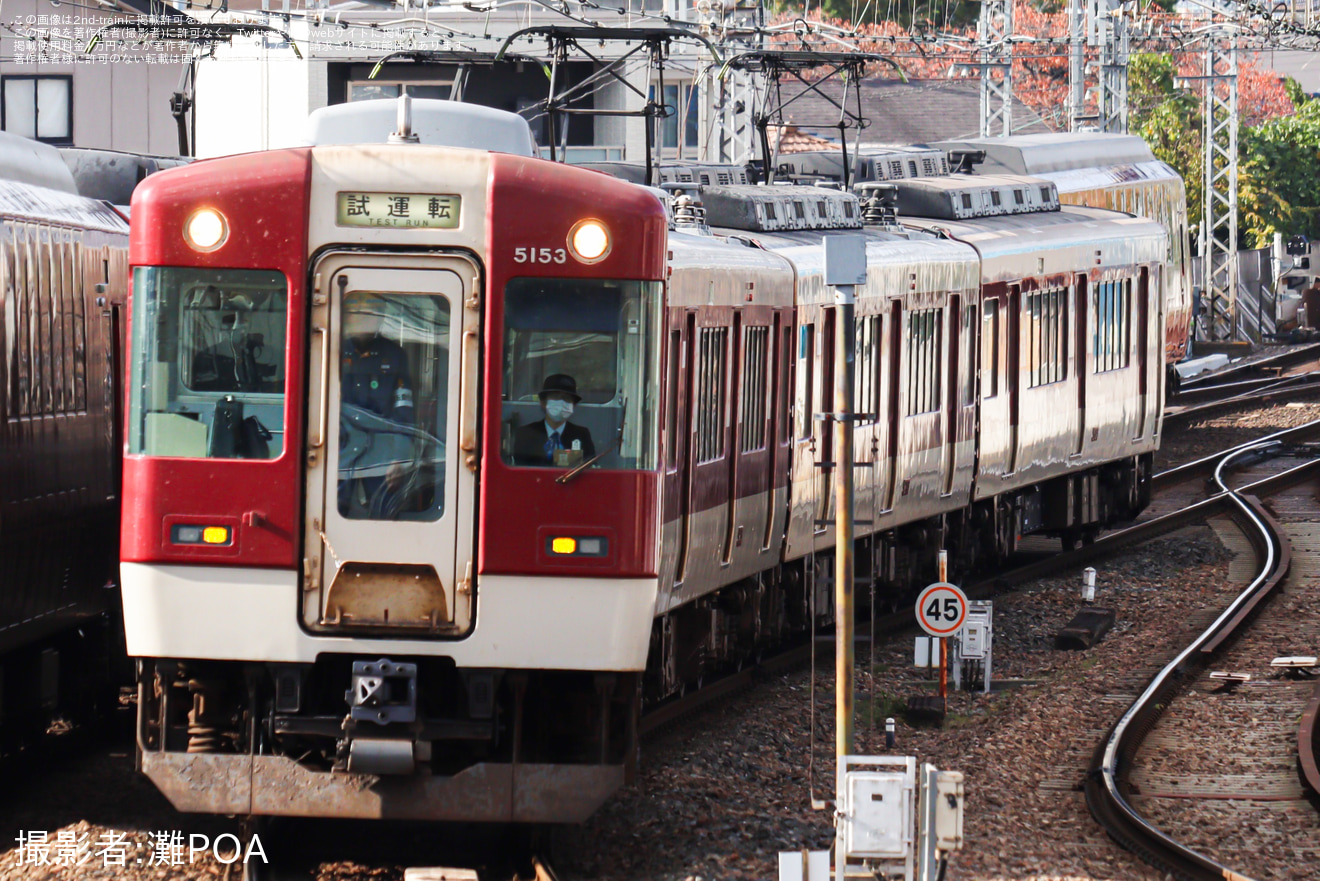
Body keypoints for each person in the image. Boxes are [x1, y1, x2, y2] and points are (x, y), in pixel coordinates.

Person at [338, 291, 416, 518]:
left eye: (375, 313)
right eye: (359, 312)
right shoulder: (329, 348)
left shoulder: (394, 355)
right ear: (347, 315)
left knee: (384, 514)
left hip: (381, 451)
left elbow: (404, 410)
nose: (367, 318)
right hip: (338, 450)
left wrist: (399, 459)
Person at [512, 374, 596, 467]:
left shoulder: (581, 435)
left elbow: (589, 468)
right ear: (543, 403)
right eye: (556, 397)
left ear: (573, 406)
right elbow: (521, 468)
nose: (562, 402)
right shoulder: (526, 434)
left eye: (567, 398)